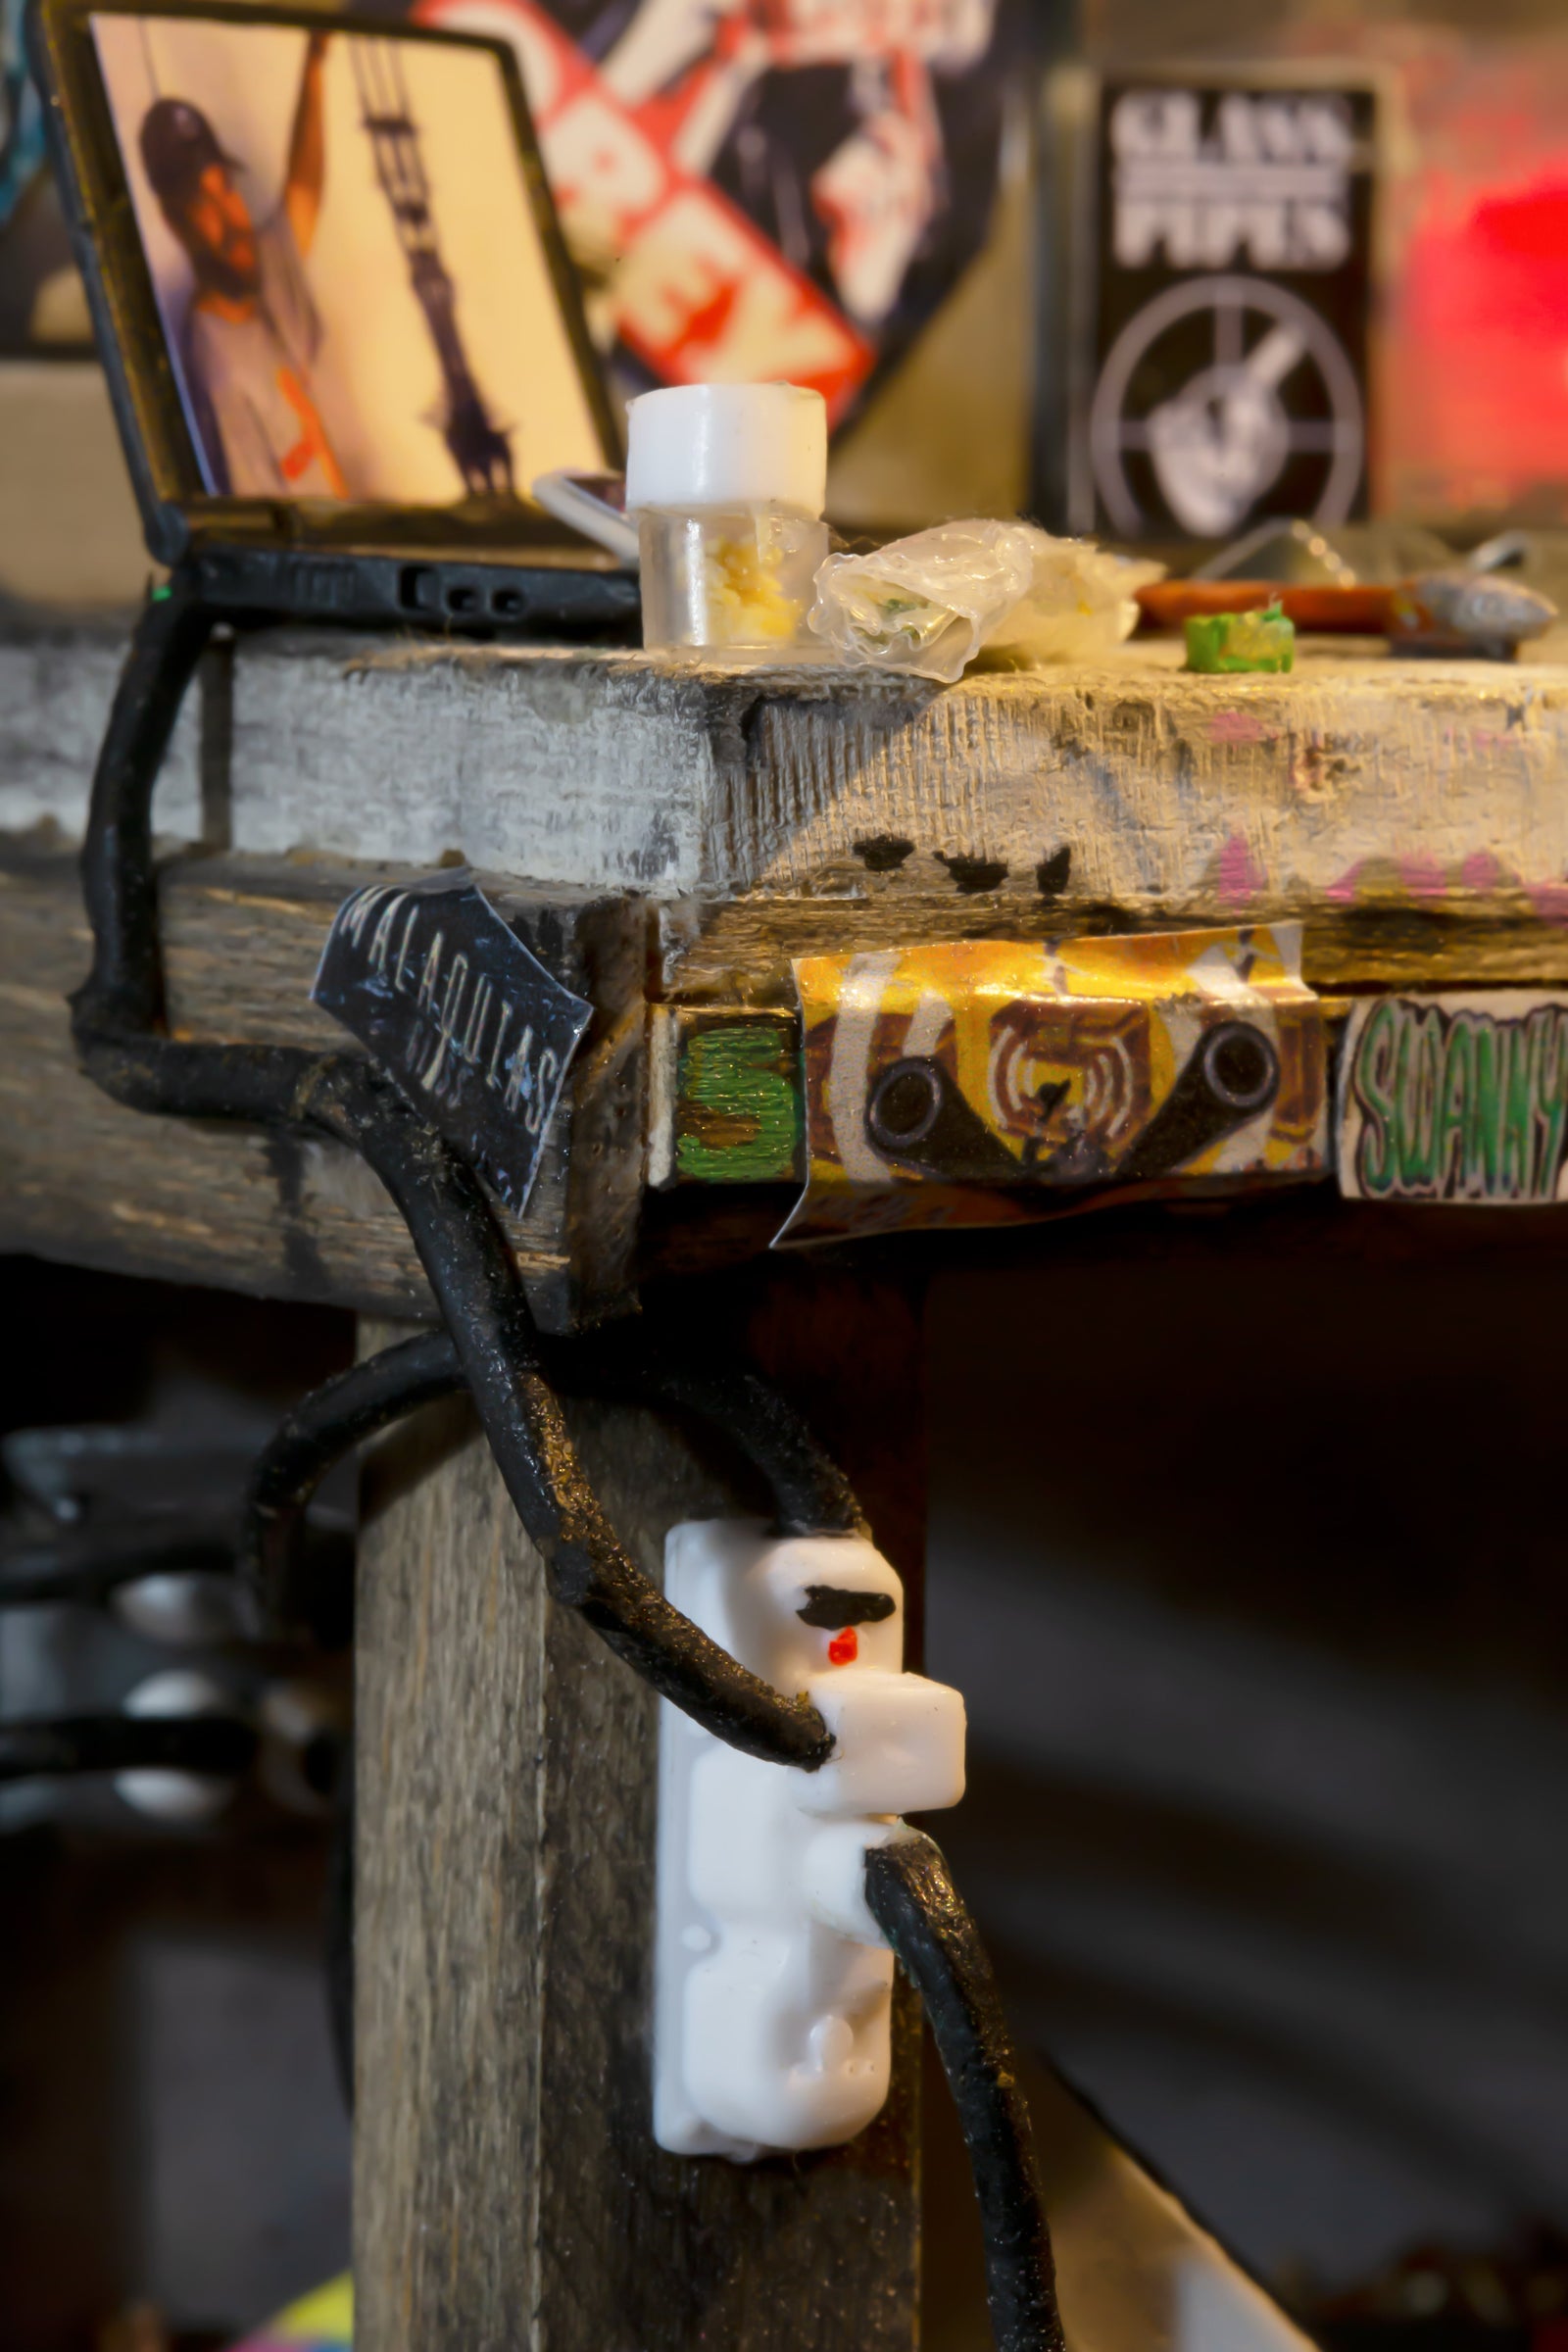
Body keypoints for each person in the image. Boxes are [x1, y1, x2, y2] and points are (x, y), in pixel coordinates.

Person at [138, 31, 348, 498]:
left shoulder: (257, 267)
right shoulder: (216, 367)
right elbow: (261, 521)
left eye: (226, 189)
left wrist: (314, 63)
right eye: (203, 203)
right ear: (176, 223)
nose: (230, 217)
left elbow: (303, 189)